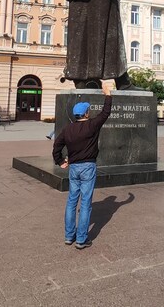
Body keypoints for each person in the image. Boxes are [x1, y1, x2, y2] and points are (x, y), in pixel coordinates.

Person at [52, 81, 113, 249]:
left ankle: (68, 236)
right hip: (88, 167)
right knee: (85, 203)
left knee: (72, 201)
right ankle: (81, 239)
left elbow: (57, 145)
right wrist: (108, 94)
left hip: (74, 168)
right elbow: (105, 113)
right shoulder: (92, 125)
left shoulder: (68, 129)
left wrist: (60, 161)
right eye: (88, 110)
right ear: (86, 112)